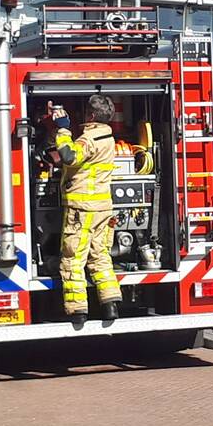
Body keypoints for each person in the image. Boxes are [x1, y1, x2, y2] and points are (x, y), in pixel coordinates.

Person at [51, 95, 123, 328]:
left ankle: (77, 310)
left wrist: (63, 130)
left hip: (82, 207)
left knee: (73, 258)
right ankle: (110, 303)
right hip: (103, 207)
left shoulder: (89, 139)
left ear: (90, 115)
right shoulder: (110, 138)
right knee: (100, 254)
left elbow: (69, 157)